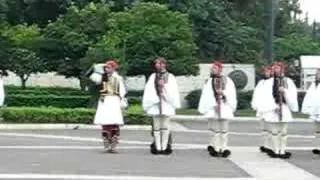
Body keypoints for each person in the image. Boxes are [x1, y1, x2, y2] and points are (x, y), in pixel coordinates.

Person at [198, 60, 237, 158]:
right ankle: (216, 148)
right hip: (214, 107)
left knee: (224, 129)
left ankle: (223, 148)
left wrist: (223, 93)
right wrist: (213, 104)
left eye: (215, 68)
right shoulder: (210, 81)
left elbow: (231, 93)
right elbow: (207, 95)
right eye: (213, 68)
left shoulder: (228, 80)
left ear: (220, 69)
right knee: (215, 130)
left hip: (224, 106)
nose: (213, 70)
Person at [142, 57, 181, 155]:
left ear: (164, 64)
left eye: (159, 63)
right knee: (156, 127)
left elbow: (173, 90)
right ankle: (158, 147)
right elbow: (149, 90)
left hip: (166, 104)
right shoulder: (153, 76)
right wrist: (155, 97)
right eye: (156, 64)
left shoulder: (170, 77)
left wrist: (164, 92)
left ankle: (164, 147)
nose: (157, 65)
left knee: (165, 126)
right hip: (156, 105)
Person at [260, 61, 298, 159]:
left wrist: (284, 91)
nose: (275, 70)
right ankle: (275, 149)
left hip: (284, 107)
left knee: (283, 131)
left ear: (282, 69)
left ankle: (282, 150)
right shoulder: (269, 83)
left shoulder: (288, 81)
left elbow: (293, 95)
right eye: (274, 68)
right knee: (274, 131)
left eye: (277, 68)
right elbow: (265, 97)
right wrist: (273, 106)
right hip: (273, 108)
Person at [93, 60, 126, 153]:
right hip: (105, 100)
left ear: (114, 68)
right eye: (106, 68)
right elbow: (91, 74)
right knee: (106, 122)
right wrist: (100, 66)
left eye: (109, 67)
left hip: (114, 100)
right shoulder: (102, 77)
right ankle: (107, 144)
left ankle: (113, 145)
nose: (107, 69)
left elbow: (122, 90)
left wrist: (120, 99)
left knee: (114, 122)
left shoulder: (118, 78)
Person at [251, 65, 273, 153]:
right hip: (261, 108)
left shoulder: (273, 82)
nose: (266, 73)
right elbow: (256, 94)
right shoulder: (261, 82)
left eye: (268, 71)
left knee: (271, 128)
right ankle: (265, 145)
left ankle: (271, 145)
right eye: (265, 71)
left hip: (270, 108)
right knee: (264, 129)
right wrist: (255, 104)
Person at [301, 68, 320, 156]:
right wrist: (307, 108)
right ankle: (318, 146)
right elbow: (309, 96)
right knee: (317, 131)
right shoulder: (314, 85)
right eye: (317, 74)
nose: (318, 75)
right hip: (316, 111)